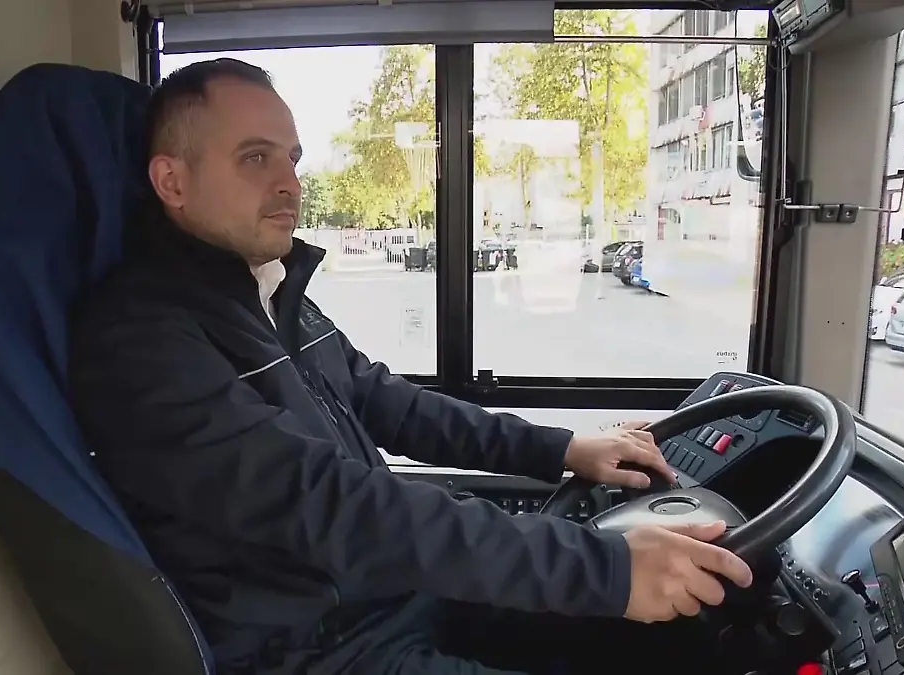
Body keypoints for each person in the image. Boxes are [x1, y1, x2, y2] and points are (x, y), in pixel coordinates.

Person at [68, 58, 753, 675]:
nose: (288, 182)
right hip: (317, 647)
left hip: (391, 595)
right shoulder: (142, 342)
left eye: (292, 158)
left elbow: (388, 402)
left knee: (647, 640)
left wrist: (566, 447)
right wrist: (606, 571)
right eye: (255, 158)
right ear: (172, 180)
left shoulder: (267, 292)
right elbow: (334, 501)